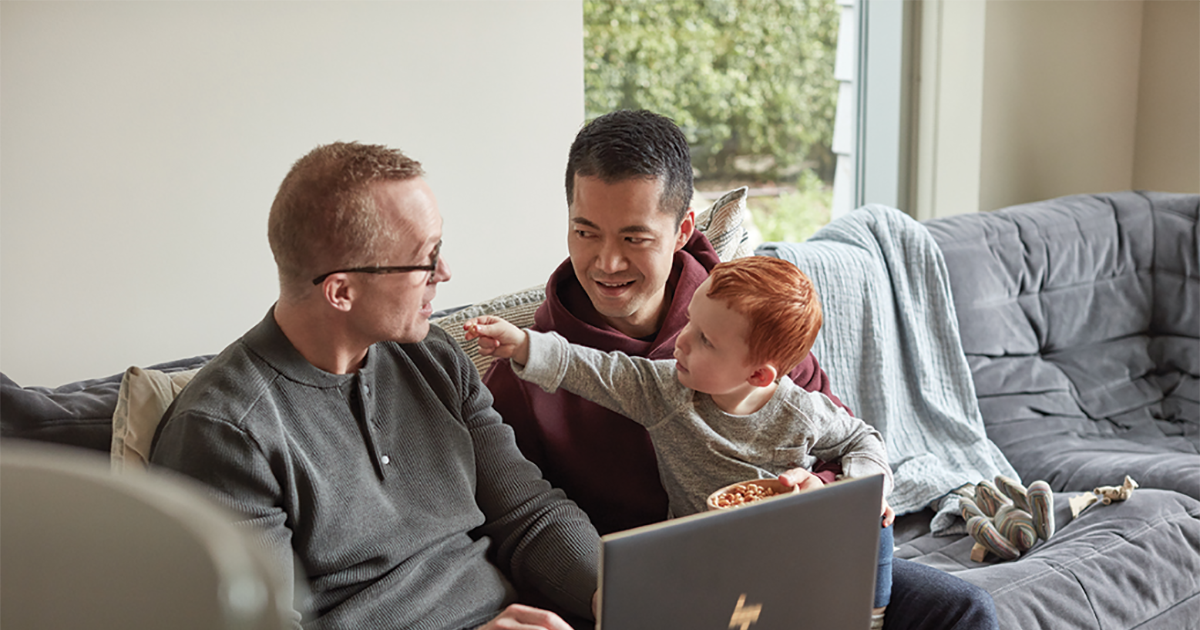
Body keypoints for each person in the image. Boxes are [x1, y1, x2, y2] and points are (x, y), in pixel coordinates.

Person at [482, 109, 999, 630]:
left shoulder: (747, 314)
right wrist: (609, 590)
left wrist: (815, 493)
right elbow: (522, 520)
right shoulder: (521, 375)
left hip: (790, 555)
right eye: (585, 232)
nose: (606, 263)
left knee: (963, 611)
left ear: (683, 228)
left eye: (634, 238)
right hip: (664, 592)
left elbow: (828, 430)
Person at [150, 142, 600, 630]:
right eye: (425, 260)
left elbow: (528, 514)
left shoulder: (433, 357)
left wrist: (615, 592)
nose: (444, 274)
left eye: (439, 249)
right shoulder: (225, 432)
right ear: (341, 291)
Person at [467, 255, 896, 627]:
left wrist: (860, 488)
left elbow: (862, 439)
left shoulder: (801, 412)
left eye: (706, 340)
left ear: (759, 375)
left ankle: (870, 617)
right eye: (690, 320)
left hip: (787, 558)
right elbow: (595, 369)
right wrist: (522, 344)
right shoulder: (667, 392)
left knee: (878, 524)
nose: (682, 341)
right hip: (702, 566)